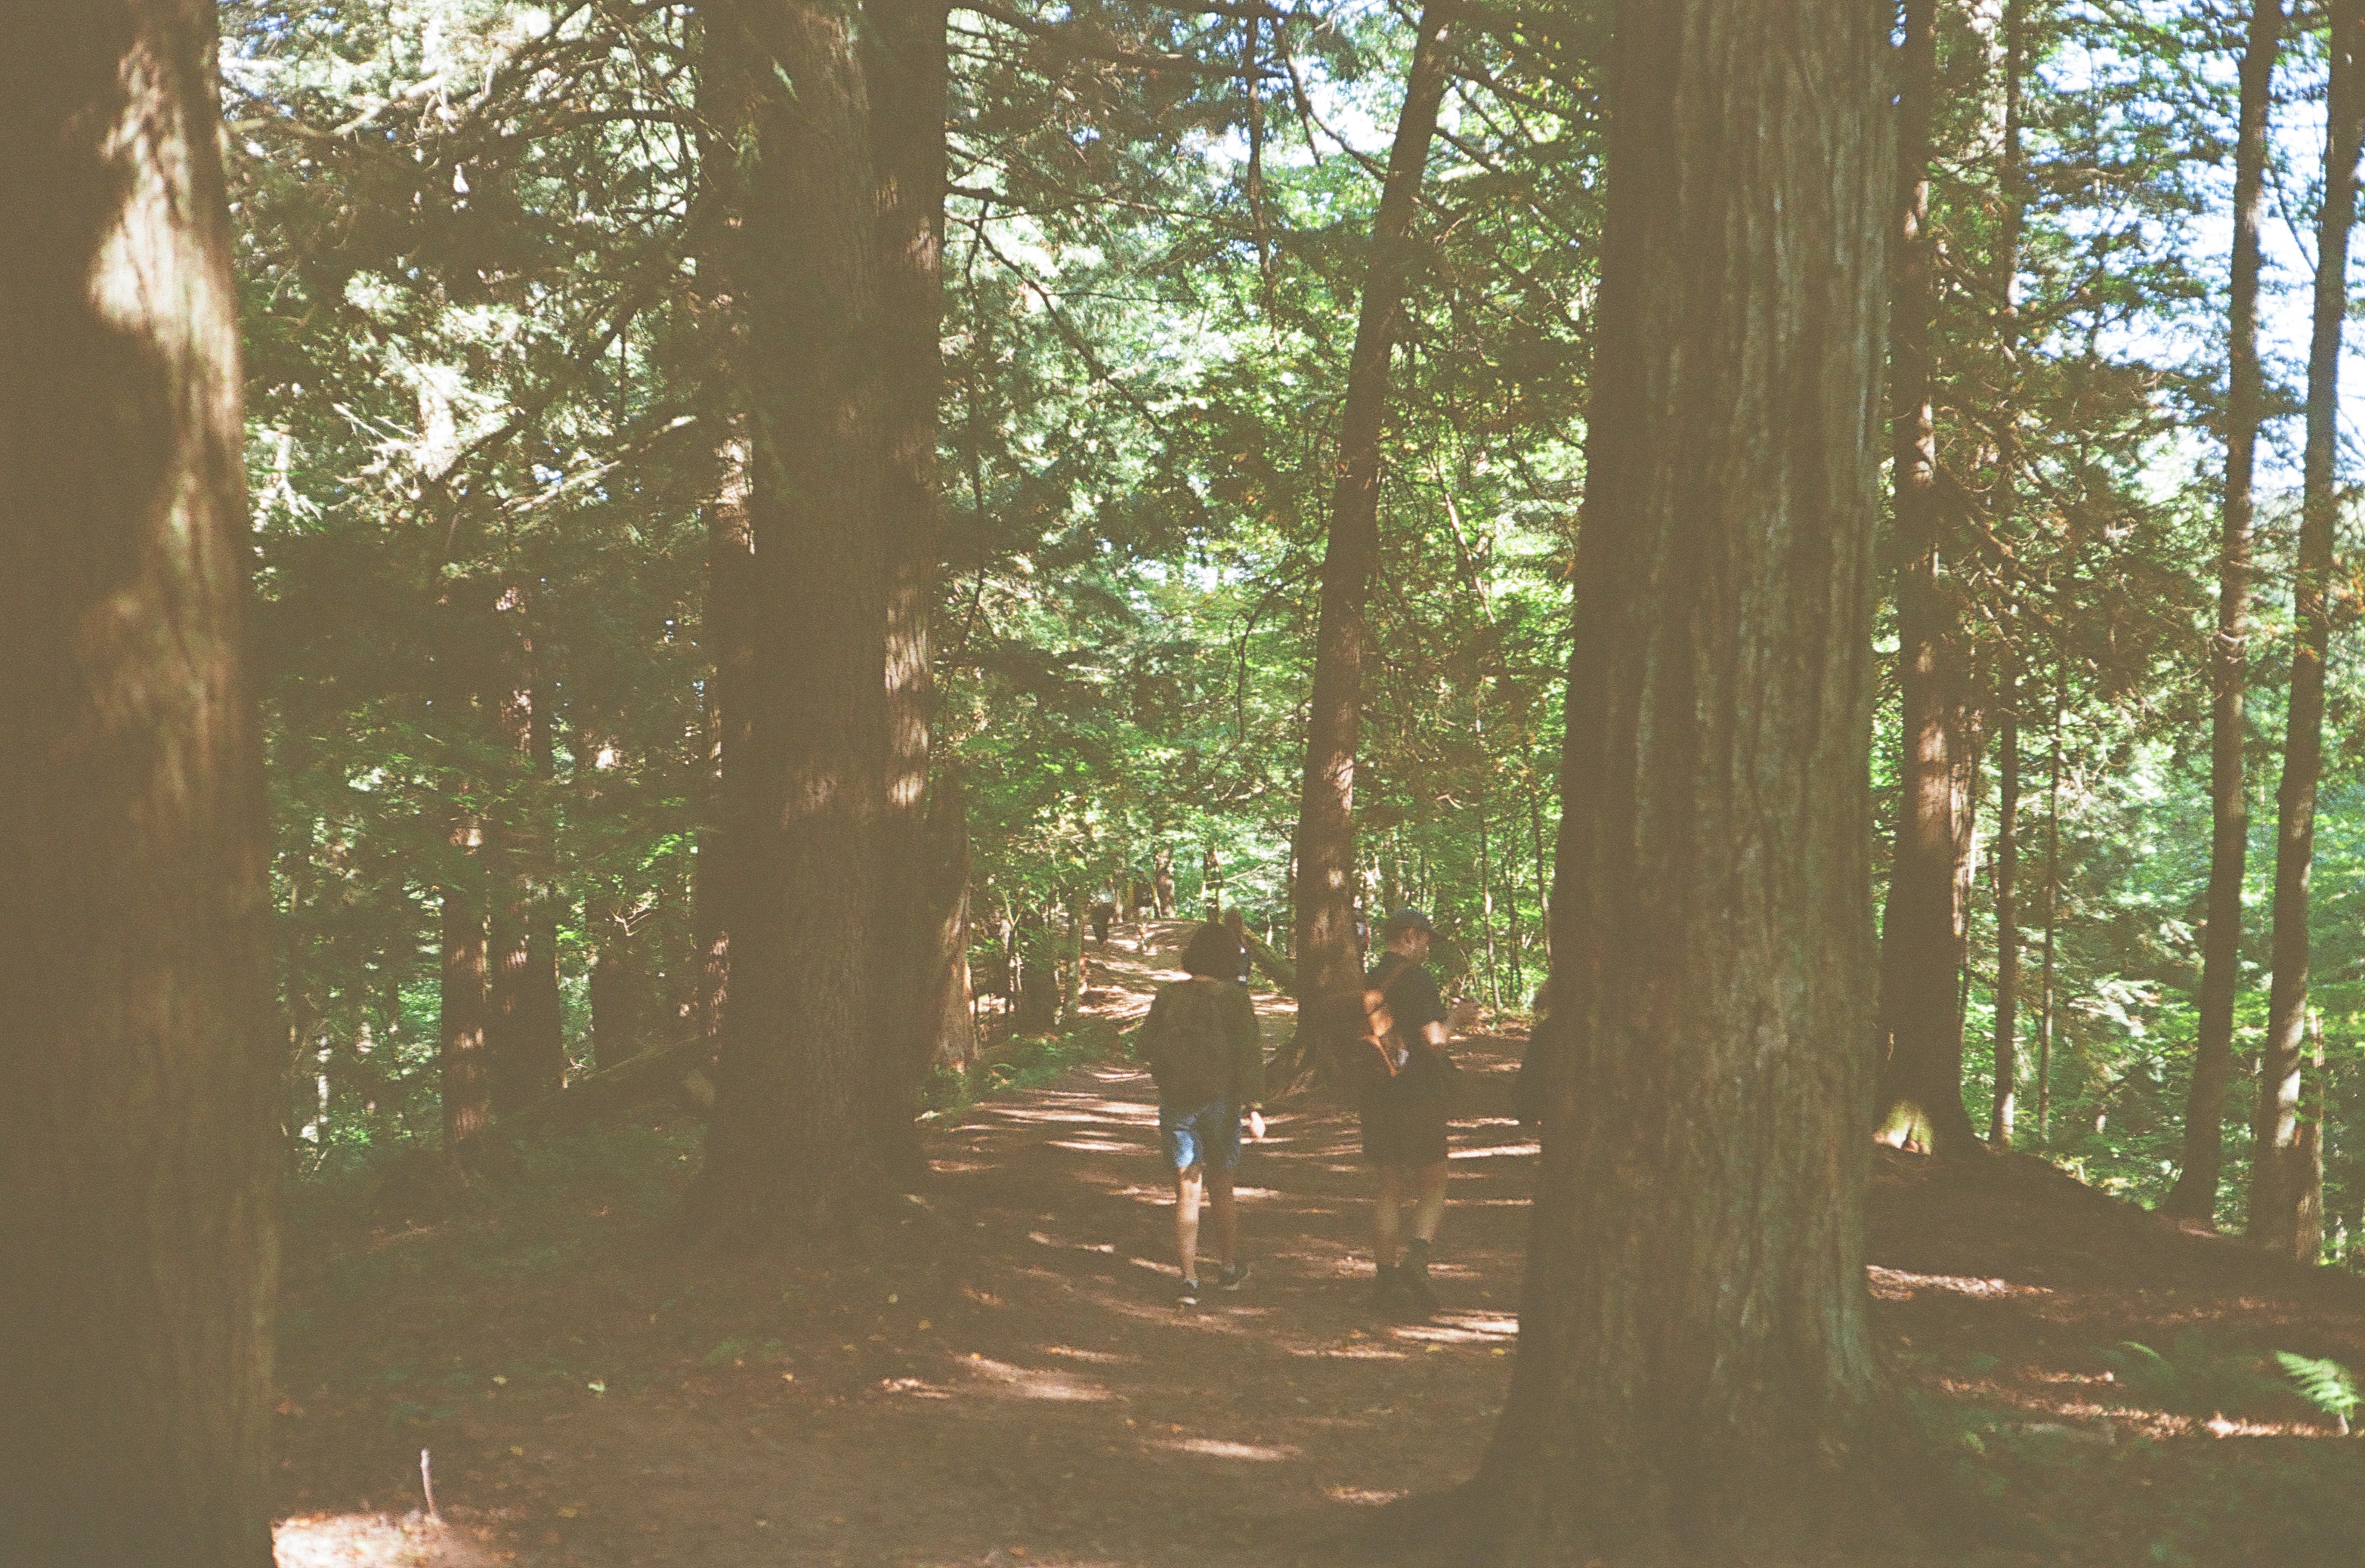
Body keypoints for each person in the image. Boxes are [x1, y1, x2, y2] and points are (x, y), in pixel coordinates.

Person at [1136, 921, 1266, 1307]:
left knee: (1186, 1189)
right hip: (1221, 1105)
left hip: (1177, 1102)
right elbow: (1250, 1055)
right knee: (1222, 1188)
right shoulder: (1234, 999)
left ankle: (1188, 1279)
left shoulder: (1169, 996)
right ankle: (1227, 1270)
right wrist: (1255, 1107)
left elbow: (1143, 1045)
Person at [1362, 908, 1455, 1317]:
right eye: (1427, 938)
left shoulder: (1372, 976)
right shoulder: (1417, 980)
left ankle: (1383, 1278)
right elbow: (1434, 1041)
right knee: (1433, 1180)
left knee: (1388, 1185)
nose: (1429, 946)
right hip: (1417, 1093)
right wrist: (1458, 1019)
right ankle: (1417, 1260)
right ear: (1412, 936)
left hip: (1376, 1092)